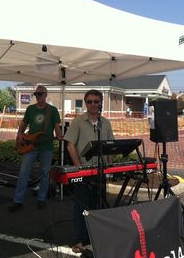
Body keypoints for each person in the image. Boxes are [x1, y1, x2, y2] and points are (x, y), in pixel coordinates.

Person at [63, 89, 115, 253]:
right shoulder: (78, 121)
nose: (93, 104)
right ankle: (80, 239)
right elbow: (70, 144)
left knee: (98, 204)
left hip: (100, 172)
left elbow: (110, 146)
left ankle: (96, 236)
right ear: (86, 103)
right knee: (82, 206)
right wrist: (78, 165)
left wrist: (111, 166)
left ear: (100, 103)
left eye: (96, 101)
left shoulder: (105, 122)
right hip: (84, 172)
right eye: (90, 102)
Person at [8, 85, 62, 212]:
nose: (38, 96)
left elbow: (57, 127)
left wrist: (59, 136)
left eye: (41, 93)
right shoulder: (30, 109)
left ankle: (41, 199)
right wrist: (19, 134)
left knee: (44, 174)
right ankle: (18, 200)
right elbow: (23, 124)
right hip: (30, 145)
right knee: (23, 173)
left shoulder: (52, 110)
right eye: (36, 94)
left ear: (46, 94)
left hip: (46, 147)